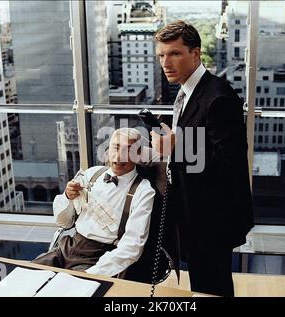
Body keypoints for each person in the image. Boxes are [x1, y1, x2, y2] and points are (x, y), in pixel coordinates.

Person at [150, 20, 254, 296]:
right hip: (195, 210)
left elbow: (228, 163)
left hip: (212, 218)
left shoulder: (218, 97)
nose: (166, 62)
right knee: (204, 284)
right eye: (161, 55)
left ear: (195, 54)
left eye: (175, 53)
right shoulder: (188, 92)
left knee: (211, 286)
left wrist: (177, 145)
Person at [33, 128, 156, 277]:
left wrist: (93, 273)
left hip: (97, 258)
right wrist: (67, 197)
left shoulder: (144, 191)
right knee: (26, 277)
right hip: (67, 247)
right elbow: (63, 222)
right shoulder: (93, 173)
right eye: (115, 148)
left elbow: (132, 247)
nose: (118, 157)